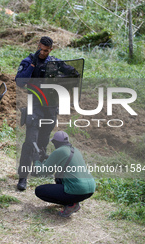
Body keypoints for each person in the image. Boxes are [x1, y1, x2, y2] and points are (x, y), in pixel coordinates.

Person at [16, 36, 78, 190]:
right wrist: (32, 65)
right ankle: (23, 177)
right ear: (38, 46)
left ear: (51, 49)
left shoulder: (55, 63)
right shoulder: (29, 60)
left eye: (46, 50)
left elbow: (74, 74)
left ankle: (38, 170)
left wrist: (61, 79)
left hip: (50, 107)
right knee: (30, 142)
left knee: (43, 141)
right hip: (34, 106)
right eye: (40, 49)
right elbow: (20, 81)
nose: (42, 52)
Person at [34, 131, 96, 217]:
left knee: (39, 191)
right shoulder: (75, 150)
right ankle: (73, 202)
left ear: (55, 142)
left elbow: (43, 171)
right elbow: (64, 160)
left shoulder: (59, 151)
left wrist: (36, 161)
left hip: (77, 189)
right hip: (90, 189)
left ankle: (71, 204)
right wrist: (47, 157)